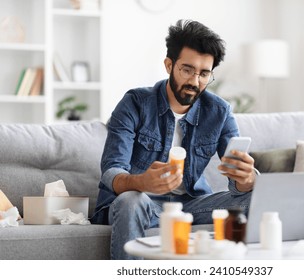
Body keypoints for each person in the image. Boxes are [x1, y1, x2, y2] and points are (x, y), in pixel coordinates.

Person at [91, 19, 257, 260]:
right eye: (187, 69)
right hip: (141, 203)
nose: (194, 81)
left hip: (191, 205)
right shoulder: (135, 103)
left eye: (204, 73)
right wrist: (141, 182)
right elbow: (111, 171)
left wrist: (247, 179)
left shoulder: (219, 111)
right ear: (169, 65)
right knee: (130, 201)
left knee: (258, 198)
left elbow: (238, 183)